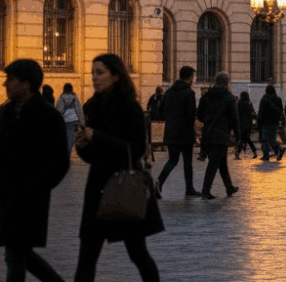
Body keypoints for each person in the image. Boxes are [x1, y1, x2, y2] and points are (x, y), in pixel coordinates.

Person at [74, 54, 162, 282]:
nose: (94, 77)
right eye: (93, 72)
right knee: (87, 255)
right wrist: (83, 145)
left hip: (125, 186)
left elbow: (135, 148)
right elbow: (93, 155)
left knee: (137, 252)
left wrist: (98, 137)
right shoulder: (91, 106)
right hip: (97, 187)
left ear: (114, 76)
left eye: (100, 72)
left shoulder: (129, 107)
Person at [1, 59, 70, 282]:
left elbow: (60, 161)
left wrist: (37, 186)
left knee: (16, 254)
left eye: (10, 79)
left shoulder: (48, 116)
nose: (5, 85)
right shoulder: (5, 113)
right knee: (19, 254)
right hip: (6, 195)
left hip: (31, 198)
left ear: (26, 83)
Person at [155, 66, 199, 198]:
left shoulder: (168, 93)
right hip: (185, 133)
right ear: (190, 77)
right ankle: (189, 188)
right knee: (187, 161)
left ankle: (159, 181)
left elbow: (160, 113)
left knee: (172, 160)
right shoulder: (189, 93)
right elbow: (191, 115)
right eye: (193, 77)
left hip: (171, 132)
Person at [197, 71, 239, 199]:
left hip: (208, 134)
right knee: (214, 163)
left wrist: (208, 122)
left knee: (222, 163)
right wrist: (238, 135)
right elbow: (234, 119)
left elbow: (199, 115)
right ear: (226, 83)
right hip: (221, 135)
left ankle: (229, 188)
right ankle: (205, 191)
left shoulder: (206, 96)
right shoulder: (229, 98)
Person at [258, 85, 285, 161]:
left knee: (265, 139)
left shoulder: (264, 99)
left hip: (265, 122)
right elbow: (281, 111)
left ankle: (266, 155)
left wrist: (259, 121)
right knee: (272, 139)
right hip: (274, 122)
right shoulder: (278, 99)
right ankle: (278, 151)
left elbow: (261, 111)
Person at [55, 82, 84, 154]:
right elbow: (79, 110)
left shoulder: (61, 98)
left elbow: (59, 110)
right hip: (72, 120)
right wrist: (82, 122)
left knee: (63, 137)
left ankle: (64, 152)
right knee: (70, 137)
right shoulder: (75, 97)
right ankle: (68, 152)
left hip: (63, 120)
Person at [234, 91, 258, 160]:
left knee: (244, 138)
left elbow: (236, 115)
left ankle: (237, 153)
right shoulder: (249, 104)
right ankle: (254, 151)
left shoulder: (238, 104)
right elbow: (253, 114)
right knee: (246, 138)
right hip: (248, 124)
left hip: (241, 124)